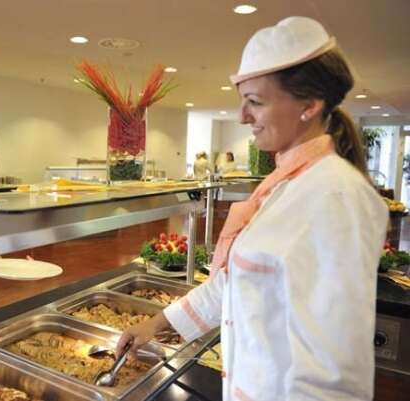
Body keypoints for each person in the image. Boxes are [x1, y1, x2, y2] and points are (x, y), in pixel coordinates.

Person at [117, 17, 388, 401]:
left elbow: (332, 375)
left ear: (309, 105)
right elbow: (236, 283)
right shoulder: (283, 186)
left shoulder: (336, 197)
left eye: (255, 102)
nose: (242, 116)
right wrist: (157, 324)